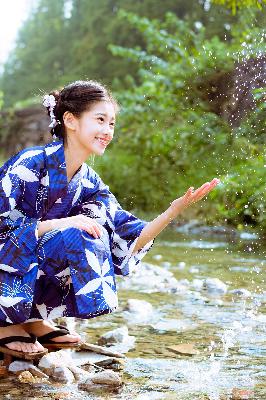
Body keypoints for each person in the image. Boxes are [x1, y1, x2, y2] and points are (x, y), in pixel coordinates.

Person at [0, 80, 220, 357]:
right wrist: (60, 223)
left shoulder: (90, 182)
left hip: (21, 267)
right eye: (100, 120)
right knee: (72, 232)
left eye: (112, 124)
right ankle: (3, 323)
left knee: (91, 233)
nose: (107, 131)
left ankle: (31, 318)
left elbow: (127, 238)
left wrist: (171, 212)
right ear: (70, 120)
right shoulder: (29, 164)